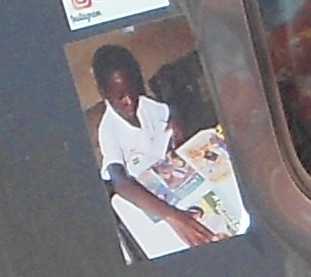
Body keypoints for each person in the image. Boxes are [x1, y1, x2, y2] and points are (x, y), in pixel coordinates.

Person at [89, 42, 219, 255]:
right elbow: (120, 182)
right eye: (121, 97)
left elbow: (169, 110)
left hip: (172, 185)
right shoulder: (109, 130)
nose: (131, 102)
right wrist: (173, 217)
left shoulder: (145, 103)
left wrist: (175, 121)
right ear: (103, 93)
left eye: (133, 92)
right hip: (145, 203)